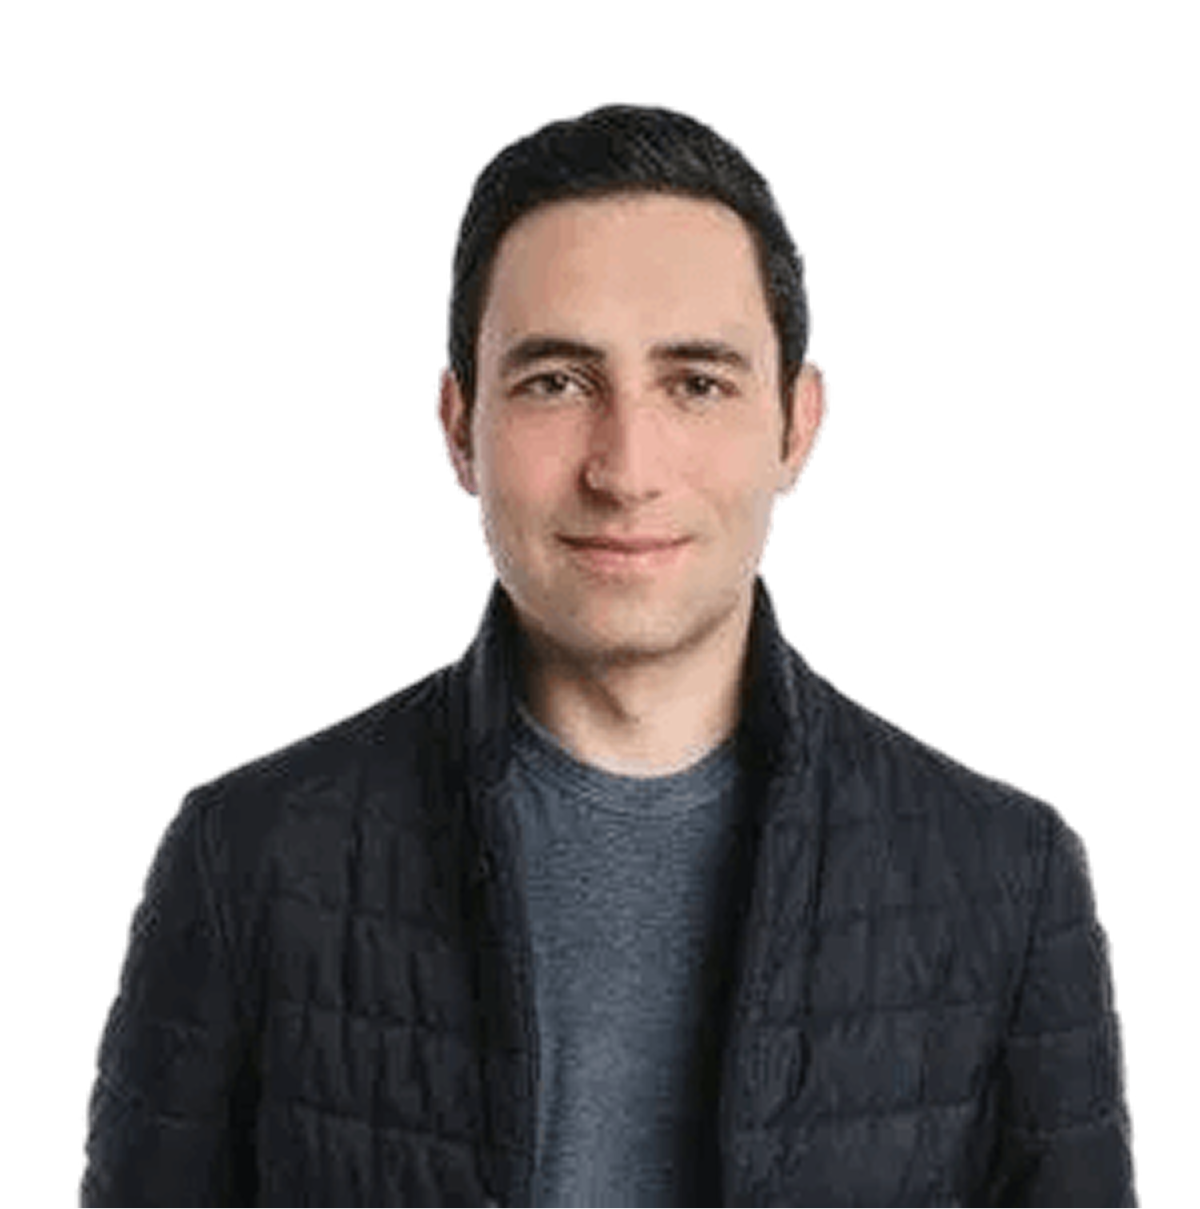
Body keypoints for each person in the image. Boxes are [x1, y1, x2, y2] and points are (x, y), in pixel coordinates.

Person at [78, 102, 1139, 1207]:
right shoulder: (245, 857)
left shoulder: (1009, 877)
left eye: (697, 382)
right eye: (556, 381)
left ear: (799, 424)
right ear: (458, 426)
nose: (626, 470)